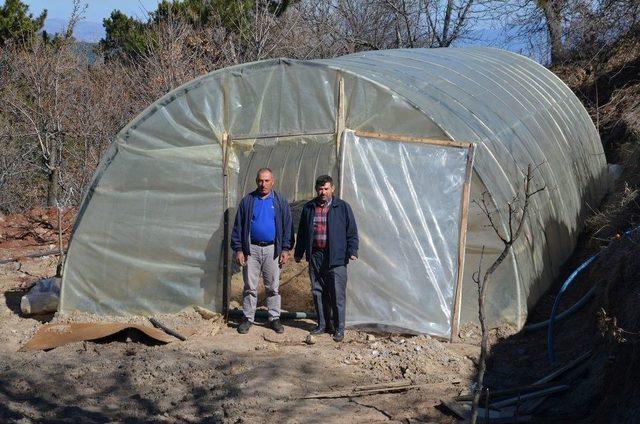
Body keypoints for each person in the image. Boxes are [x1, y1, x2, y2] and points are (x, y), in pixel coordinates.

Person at [294, 175, 358, 342]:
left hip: (336, 256)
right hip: (316, 255)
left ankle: (339, 328)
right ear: (316, 190)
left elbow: (351, 232)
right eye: (320, 189)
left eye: (326, 189)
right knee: (318, 291)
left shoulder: (342, 207)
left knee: (337, 294)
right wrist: (299, 252)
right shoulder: (309, 208)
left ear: (333, 189)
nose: (323, 192)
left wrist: (352, 250)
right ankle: (323, 325)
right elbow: (302, 233)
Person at [231, 168, 293, 334]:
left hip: (273, 249)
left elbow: (287, 225)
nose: (263, 184)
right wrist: (239, 249)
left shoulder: (279, 201)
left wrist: (285, 248)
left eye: (266, 181)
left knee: (273, 286)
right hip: (251, 249)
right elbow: (238, 226)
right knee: (250, 287)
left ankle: (274, 318)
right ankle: (248, 318)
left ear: (273, 181)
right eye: (260, 180)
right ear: (256, 181)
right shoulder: (248, 201)